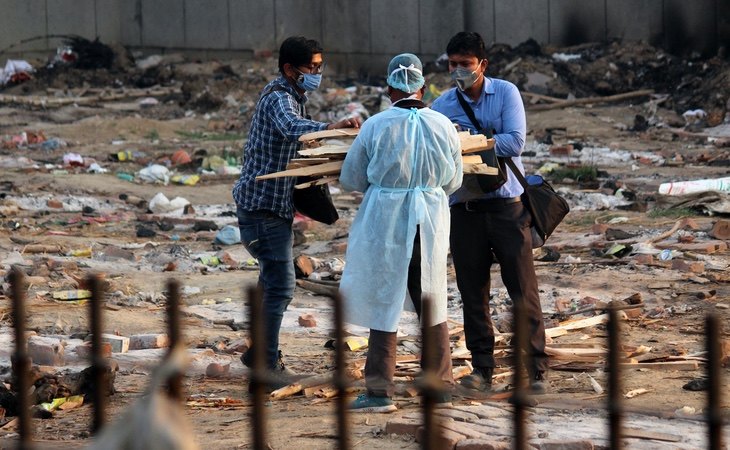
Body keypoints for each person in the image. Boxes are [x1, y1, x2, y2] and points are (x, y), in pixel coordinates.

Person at [232, 36, 359, 391]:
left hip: (271, 208)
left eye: (320, 66)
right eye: (312, 67)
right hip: (262, 209)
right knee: (281, 288)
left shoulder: (291, 97)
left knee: (270, 284)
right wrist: (334, 129)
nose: (317, 73)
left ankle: (259, 352)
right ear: (290, 69)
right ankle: (267, 366)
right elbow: (291, 127)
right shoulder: (279, 99)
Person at [339, 53, 463, 413]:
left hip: (387, 222)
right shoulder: (443, 125)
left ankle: (379, 392)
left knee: (384, 300)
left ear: (390, 89)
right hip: (431, 220)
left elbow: (352, 177)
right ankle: (439, 386)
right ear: (423, 88)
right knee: (431, 298)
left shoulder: (376, 126)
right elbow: (454, 180)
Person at [431, 31, 549, 394]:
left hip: (507, 208)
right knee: (472, 292)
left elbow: (515, 141)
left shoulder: (506, 93)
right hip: (464, 208)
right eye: (452, 65)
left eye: (464, 65)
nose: (457, 72)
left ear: (482, 65)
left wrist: (465, 141)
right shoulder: (441, 105)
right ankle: (482, 368)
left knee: (522, 289)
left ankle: (535, 371)